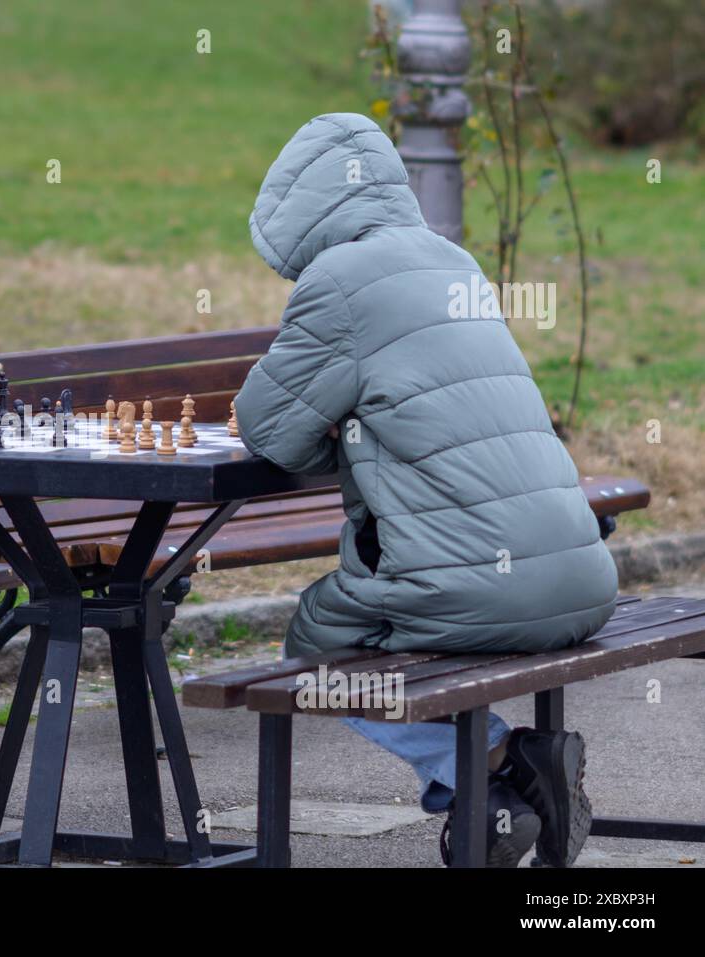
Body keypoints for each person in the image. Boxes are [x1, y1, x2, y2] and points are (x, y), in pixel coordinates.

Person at [234, 113, 618, 867]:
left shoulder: (338, 281)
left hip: (476, 588)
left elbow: (269, 430)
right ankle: (498, 792)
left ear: (300, 208)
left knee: (313, 644)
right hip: (579, 579)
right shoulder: (453, 261)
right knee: (417, 606)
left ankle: (498, 764)